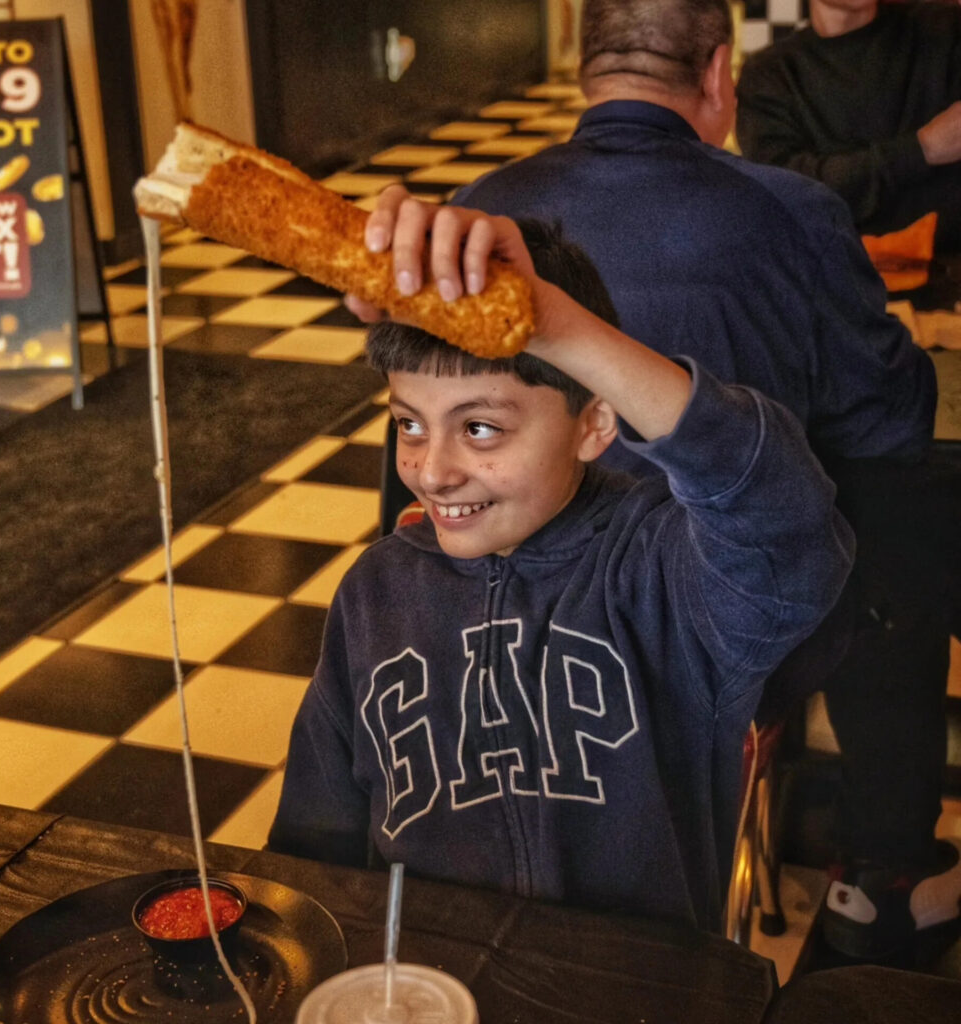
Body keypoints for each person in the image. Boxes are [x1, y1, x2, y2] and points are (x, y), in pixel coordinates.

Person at [440, 0, 959, 962]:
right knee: (894, 555)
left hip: (522, 619)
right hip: (729, 629)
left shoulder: (477, 214)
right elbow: (890, 421)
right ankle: (883, 876)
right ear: (719, 74)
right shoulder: (794, 210)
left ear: (588, 70)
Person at [268, 207, 853, 934]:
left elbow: (785, 523)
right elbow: (312, 842)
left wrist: (559, 328)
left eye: (481, 427)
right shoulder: (376, 592)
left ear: (594, 424)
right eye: (409, 423)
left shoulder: (664, 572)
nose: (432, 470)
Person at [736, 0, 961, 252]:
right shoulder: (769, 75)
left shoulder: (944, 27)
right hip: (836, 281)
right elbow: (786, 196)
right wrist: (922, 149)